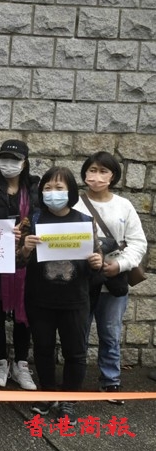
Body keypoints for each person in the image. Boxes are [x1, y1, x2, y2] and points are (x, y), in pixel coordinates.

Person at [20, 166, 103, 421]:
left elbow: (96, 260)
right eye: (47, 188)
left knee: (75, 352)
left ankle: (68, 401)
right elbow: (17, 262)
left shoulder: (85, 222)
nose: (52, 192)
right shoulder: (32, 220)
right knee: (43, 349)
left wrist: (97, 262)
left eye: (59, 187)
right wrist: (25, 248)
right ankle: (47, 394)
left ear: (71, 191)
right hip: (40, 299)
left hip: (75, 300)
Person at [73, 152, 147, 404]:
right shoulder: (75, 204)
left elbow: (138, 243)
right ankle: (74, 382)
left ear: (113, 176)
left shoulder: (124, 206)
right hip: (82, 280)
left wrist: (120, 264)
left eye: (103, 171)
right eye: (92, 170)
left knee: (110, 332)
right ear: (84, 173)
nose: (97, 176)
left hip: (113, 280)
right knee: (78, 332)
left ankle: (111, 381)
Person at [0, 140, 39, 391]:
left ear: (24, 163)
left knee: (23, 314)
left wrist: (26, 231)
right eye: (4, 158)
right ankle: (0, 362)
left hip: (27, 262)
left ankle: (21, 363)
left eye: (15, 160)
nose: (9, 164)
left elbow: (42, 219)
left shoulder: (35, 190)